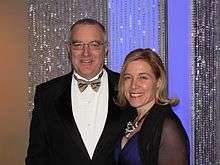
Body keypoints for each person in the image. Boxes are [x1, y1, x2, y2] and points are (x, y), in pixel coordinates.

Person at [25, 18, 134, 165]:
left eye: (94, 45)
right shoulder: (46, 94)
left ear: (106, 48)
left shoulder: (128, 88)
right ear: (68, 49)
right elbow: (36, 157)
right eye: (78, 45)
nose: (86, 53)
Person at [115, 48, 190, 165]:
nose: (134, 85)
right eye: (128, 77)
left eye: (143, 77)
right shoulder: (129, 117)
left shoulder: (167, 127)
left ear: (158, 82)